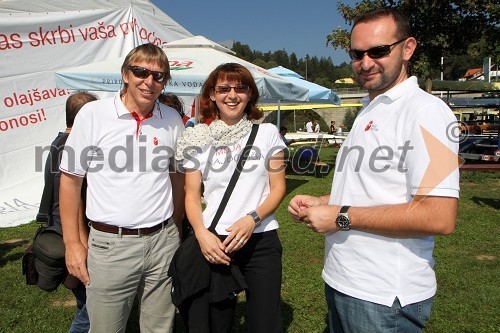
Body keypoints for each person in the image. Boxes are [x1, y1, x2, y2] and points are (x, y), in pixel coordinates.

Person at [288, 8, 459, 333]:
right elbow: (372, 187)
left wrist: (340, 215)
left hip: (384, 296)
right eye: (357, 53)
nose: (366, 62)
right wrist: (326, 200)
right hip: (344, 280)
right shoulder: (371, 108)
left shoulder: (428, 113)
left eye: (379, 51)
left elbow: (438, 215)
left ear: (407, 48)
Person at [59, 43, 185, 333]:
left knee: (160, 328)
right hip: (110, 245)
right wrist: (73, 243)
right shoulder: (93, 114)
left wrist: (175, 227)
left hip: (163, 240)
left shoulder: (172, 119)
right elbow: (70, 181)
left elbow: (177, 177)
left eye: (159, 76)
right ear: (125, 74)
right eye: (141, 72)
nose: (149, 81)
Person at [175, 62, 286, 333]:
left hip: (260, 240)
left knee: (264, 322)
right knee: (216, 322)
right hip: (215, 243)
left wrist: (253, 218)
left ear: (250, 95)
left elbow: (278, 187)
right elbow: (191, 194)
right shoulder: (196, 138)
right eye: (223, 88)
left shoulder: (267, 133)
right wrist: (201, 233)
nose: (232, 95)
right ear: (212, 95)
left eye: (240, 88)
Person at [41, 91, 97, 333]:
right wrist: (81, 245)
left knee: (86, 304)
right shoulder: (70, 147)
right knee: (90, 308)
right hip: (72, 232)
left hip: (64, 228)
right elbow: (73, 201)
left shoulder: (59, 142)